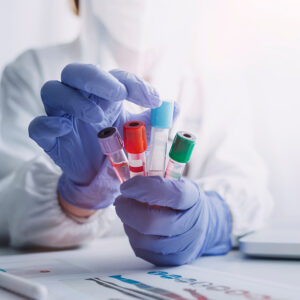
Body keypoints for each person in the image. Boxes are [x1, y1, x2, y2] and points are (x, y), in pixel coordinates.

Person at [0, 0, 273, 266]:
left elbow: (250, 187)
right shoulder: (34, 70)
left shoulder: (216, 79)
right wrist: (77, 196)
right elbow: (4, 205)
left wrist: (213, 218)